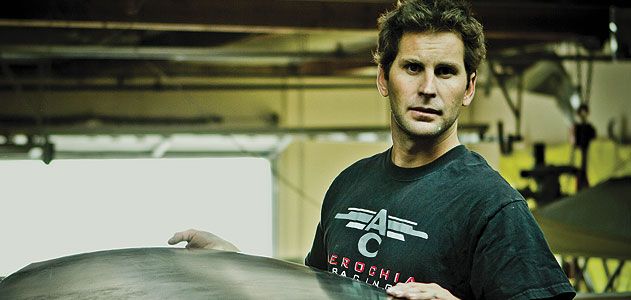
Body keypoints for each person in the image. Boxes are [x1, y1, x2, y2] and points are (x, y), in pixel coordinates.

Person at [168, 0, 576, 299]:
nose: (428, 88)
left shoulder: (493, 207)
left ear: (468, 88)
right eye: (413, 67)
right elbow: (317, 291)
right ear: (384, 78)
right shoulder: (349, 184)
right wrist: (237, 263)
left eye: (446, 72)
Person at [572, 104, 596, 191]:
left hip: (586, 150)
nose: (583, 115)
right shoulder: (577, 127)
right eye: (581, 113)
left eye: (584, 113)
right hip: (579, 152)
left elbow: (592, 137)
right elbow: (574, 141)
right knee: (580, 170)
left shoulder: (589, 127)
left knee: (584, 169)